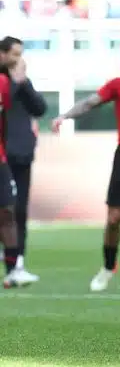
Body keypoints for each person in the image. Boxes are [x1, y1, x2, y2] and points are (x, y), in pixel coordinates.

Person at [51, 77, 120, 292]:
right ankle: (108, 266)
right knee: (113, 219)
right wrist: (64, 116)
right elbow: (90, 102)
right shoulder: (118, 84)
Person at [1, 36, 47, 283]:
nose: (18, 59)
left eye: (20, 54)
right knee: (6, 209)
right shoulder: (5, 82)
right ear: (2, 54)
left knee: (18, 210)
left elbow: (40, 108)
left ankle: (17, 262)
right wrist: (15, 83)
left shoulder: (21, 80)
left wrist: (24, 83)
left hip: (21, 154)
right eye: (14, 54)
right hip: (3, 155)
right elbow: (5, 103)